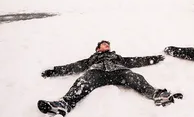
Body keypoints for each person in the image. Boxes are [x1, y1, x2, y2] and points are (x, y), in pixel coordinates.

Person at [38, 40, 183, 116]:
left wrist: (154, 58)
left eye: (108, 44)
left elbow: (135, 60)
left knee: (135, 77)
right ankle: (64, 104)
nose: (107, 45)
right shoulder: (92, 59)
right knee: (83, 81)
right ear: (98, 48)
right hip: (97, 73)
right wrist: (54, 71)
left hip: (119, 72)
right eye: (103, 44)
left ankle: (157, 95)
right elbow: (74, 66)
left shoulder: (117, 57)